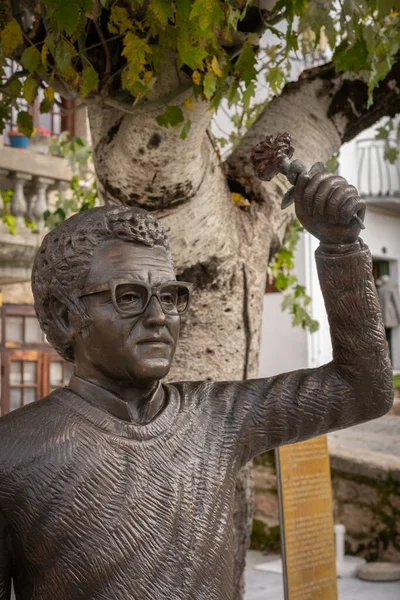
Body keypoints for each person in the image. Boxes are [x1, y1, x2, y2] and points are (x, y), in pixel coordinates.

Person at [0, 170, 393, 600]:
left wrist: (341, 247)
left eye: (169, 297)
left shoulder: (219, 416)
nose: (158, 317)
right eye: (129, 296)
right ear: (64, 315)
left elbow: (362, 388)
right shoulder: (12, 452)